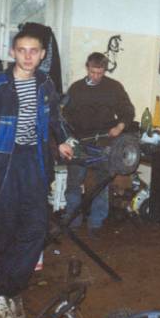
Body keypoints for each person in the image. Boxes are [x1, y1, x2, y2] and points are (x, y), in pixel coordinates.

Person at [0, 24, 73, 318]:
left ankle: (1, 292)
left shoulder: (45, 84)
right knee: (3, 233)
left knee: (37, 228)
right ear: (12, 52)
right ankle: (6, 293)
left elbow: (54, 117)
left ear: (42, 55)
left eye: (33, 51)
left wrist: (63, 140)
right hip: (3, 165)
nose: (28, 56)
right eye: (22, 50)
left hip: (33, 162)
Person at [62, 52, 134, 238]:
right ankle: (72, 220)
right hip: (80, 141)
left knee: (101, 183)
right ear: (87, 68)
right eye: (93, 72)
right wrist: (68, 137)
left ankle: (96, 223)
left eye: (100, 73)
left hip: (103, 142)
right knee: (74, 182)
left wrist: (119, 126)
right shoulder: (76, 89)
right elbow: (66, 115)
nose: (96, 76)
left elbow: (128, 110)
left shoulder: (114, 87)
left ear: (104, 70)